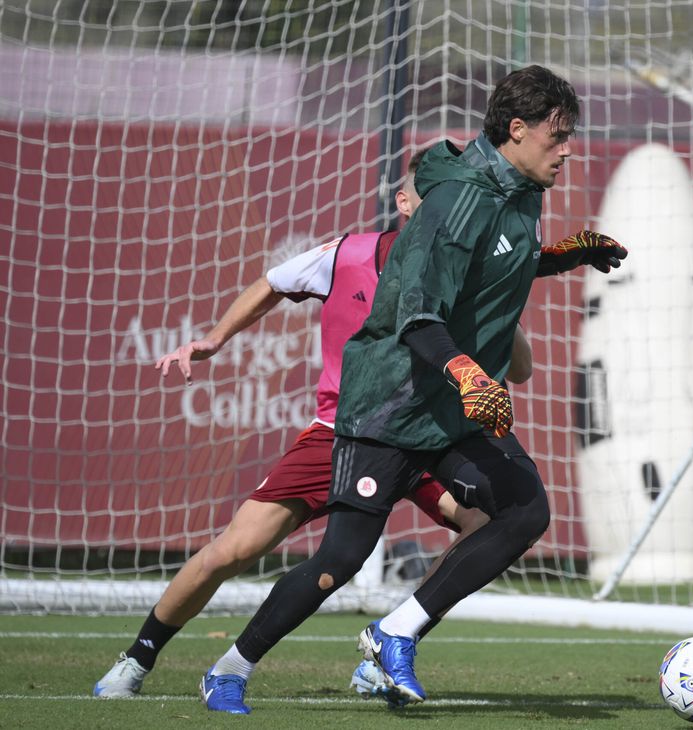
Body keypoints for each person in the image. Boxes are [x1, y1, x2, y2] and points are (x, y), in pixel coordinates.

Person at [198, 64, 627, 715]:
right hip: (390, 401)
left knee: (525, 511)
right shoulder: (458, 201)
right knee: (338, 561)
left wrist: (567, 255)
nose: (568, 149)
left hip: (448, 406)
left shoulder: (521, 186)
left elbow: (498, 259)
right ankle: (228, 669)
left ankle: (393, 632)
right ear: (517, 130)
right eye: (557, 135)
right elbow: (417, 318)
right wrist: (469, 372)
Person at [93, 150, 533, 699]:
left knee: (491, 522)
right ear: (404, 203)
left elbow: (521, 368)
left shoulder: (469, 272)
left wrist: (503, 310)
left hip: (424, 439)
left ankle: (393, 639)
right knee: (234, 550)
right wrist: (214, 339)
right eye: (435, 198)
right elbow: (273, 281)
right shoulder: (349, 254)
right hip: (341, 433)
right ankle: (138, 659)